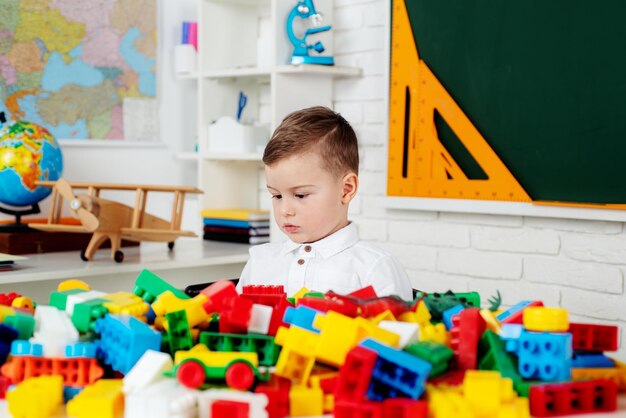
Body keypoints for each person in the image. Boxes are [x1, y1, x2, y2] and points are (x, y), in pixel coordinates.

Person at [236, 106, 413, 300]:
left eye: (301, 195)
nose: (285, 210)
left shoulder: (374, 268)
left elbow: (396, 329)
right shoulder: (260, 261)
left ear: (346, 189)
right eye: (277, 196)